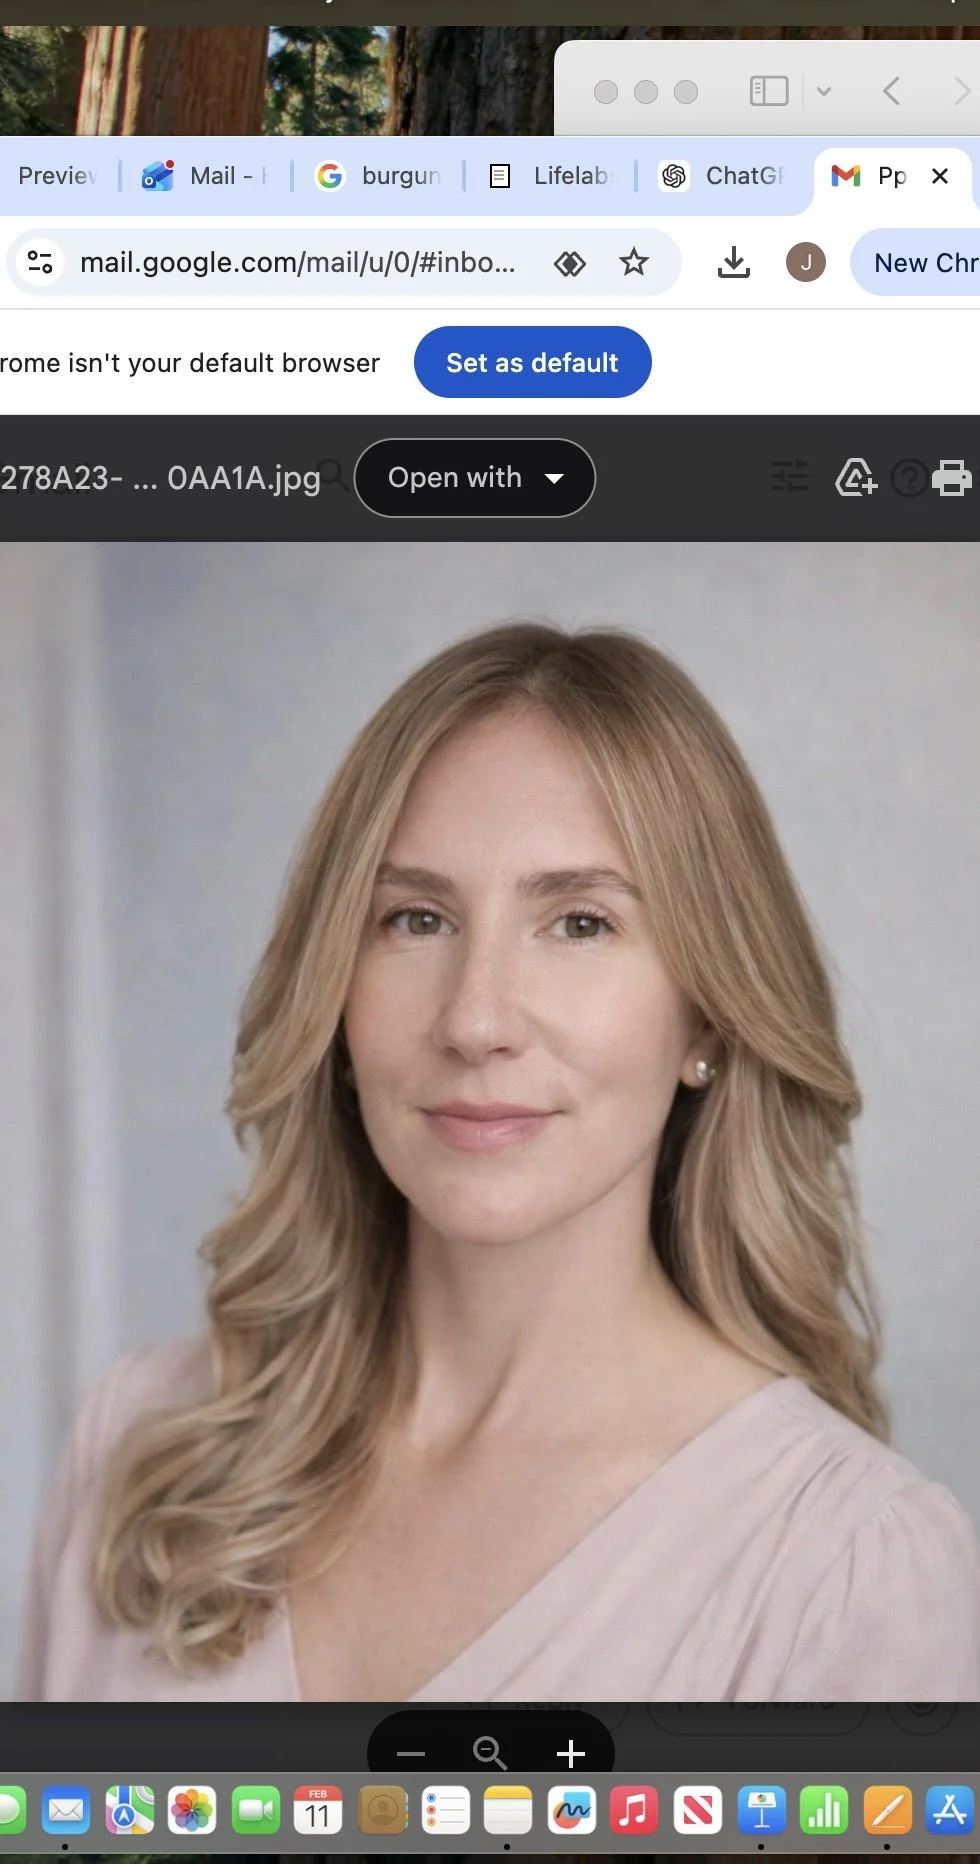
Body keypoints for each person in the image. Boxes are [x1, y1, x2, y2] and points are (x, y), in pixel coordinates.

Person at [15, 620, 980, 1701]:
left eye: (580, 924)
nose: (475, 1020)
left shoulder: (848, 1572)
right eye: (416, 919)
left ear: (708, 1017)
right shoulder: (142, 1455)